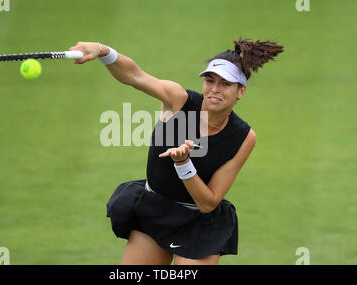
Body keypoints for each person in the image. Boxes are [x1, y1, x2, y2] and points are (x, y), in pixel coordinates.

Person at [69, 39, 283, 265]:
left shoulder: (244, 137)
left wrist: (184, 164)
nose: (214, 90)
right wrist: (103, 51)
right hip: (154, 209)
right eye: (210, 81)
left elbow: (208, 203)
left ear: (241, 91)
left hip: (198, 223)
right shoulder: (179, 100)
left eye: (225, 84)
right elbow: (134, 76)